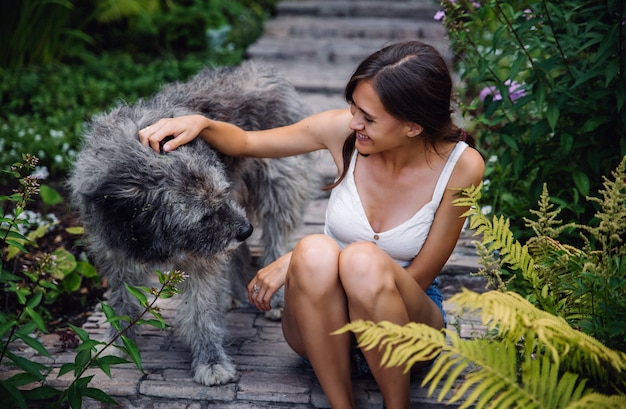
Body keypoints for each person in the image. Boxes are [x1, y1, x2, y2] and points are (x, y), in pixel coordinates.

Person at [139, 40, 485, 409]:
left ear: (413, 127)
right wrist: (201, 123)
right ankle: (342, 404)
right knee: (315, 250)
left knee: (360, 260)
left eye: (368, 118)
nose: (354, 123)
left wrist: (290, 262)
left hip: (405, 330)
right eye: (354, 107)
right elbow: (246, 142)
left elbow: (419, 278)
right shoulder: (344, 132)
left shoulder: (462, 167)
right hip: (324, 331)